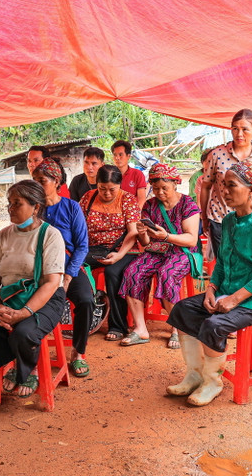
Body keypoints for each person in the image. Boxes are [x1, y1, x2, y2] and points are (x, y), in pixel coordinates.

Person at [167, 161, 252, 406]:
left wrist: (233, 299)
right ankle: (194, 375)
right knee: (183, 309)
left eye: (232, 186)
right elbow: (221, 262)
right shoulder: (228, 221)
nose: (224, 192)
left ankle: (212, 381)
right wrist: (212, 289)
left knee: (215, 324)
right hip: (227, 290)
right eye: (223, 186)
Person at [0, 180, 67, 398]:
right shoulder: (4, 235)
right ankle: (14, 362)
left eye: (17, 204)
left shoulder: (51, 236)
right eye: (9, 203)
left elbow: (51, 282)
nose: (10, 209)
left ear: (36, 207)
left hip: (46, 298)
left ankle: (28, 369)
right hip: (11, 296)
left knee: (24, 332)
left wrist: (24, 313)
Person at [119, 163, 200, 349]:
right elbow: (147, 243)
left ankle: (177, 328)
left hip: (181, 251)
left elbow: (191, 240)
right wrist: (142, 232)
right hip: (157, 249)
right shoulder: (149, 205)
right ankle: (140, 329)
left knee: (167, 273)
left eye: (165, 188)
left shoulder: (188, 204)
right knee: (133, 271)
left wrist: (167, 236)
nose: (160, 192)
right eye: (156, 189)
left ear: (175, 184)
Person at [32, 159, 94, 376]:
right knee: (26, 302)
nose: (37, 185)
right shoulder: (31, 209)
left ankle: (78, 353)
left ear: (56, 181)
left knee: (86, 300)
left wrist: (68, 276)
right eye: (34, 181)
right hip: (38, 271)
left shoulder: (71, 207)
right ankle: (29, 356)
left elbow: (82, 245)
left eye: (42, 181)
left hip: (68, 268)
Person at [200, 109, 252, 257]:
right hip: (219, 219)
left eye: (245, 129)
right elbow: (206, 186)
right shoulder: (217, 155)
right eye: (235, 129)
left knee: (246, 263)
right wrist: (204, 217)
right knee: (223, 263)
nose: (239, 134)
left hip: (251, 222)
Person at [79, 164, 140, 342]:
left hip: (124, 249)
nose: (106, 193)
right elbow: (79, 226)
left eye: (112, 189)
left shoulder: (127, 199)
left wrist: (119, 255)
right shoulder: (88, 198)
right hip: (94, 249)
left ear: (120, 185)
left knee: (114, 273)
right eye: (102, 189)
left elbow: (133, 232)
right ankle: (85, 316)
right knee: (73, 266)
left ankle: (118, 325)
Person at [111, 140, 147, 204]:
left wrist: (135, 213)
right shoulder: (109, 174)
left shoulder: (137, 174)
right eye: (115, 155)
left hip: (132, 212)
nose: (117, 158)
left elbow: (141, 200)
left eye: (120, 154)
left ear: (128, 156)